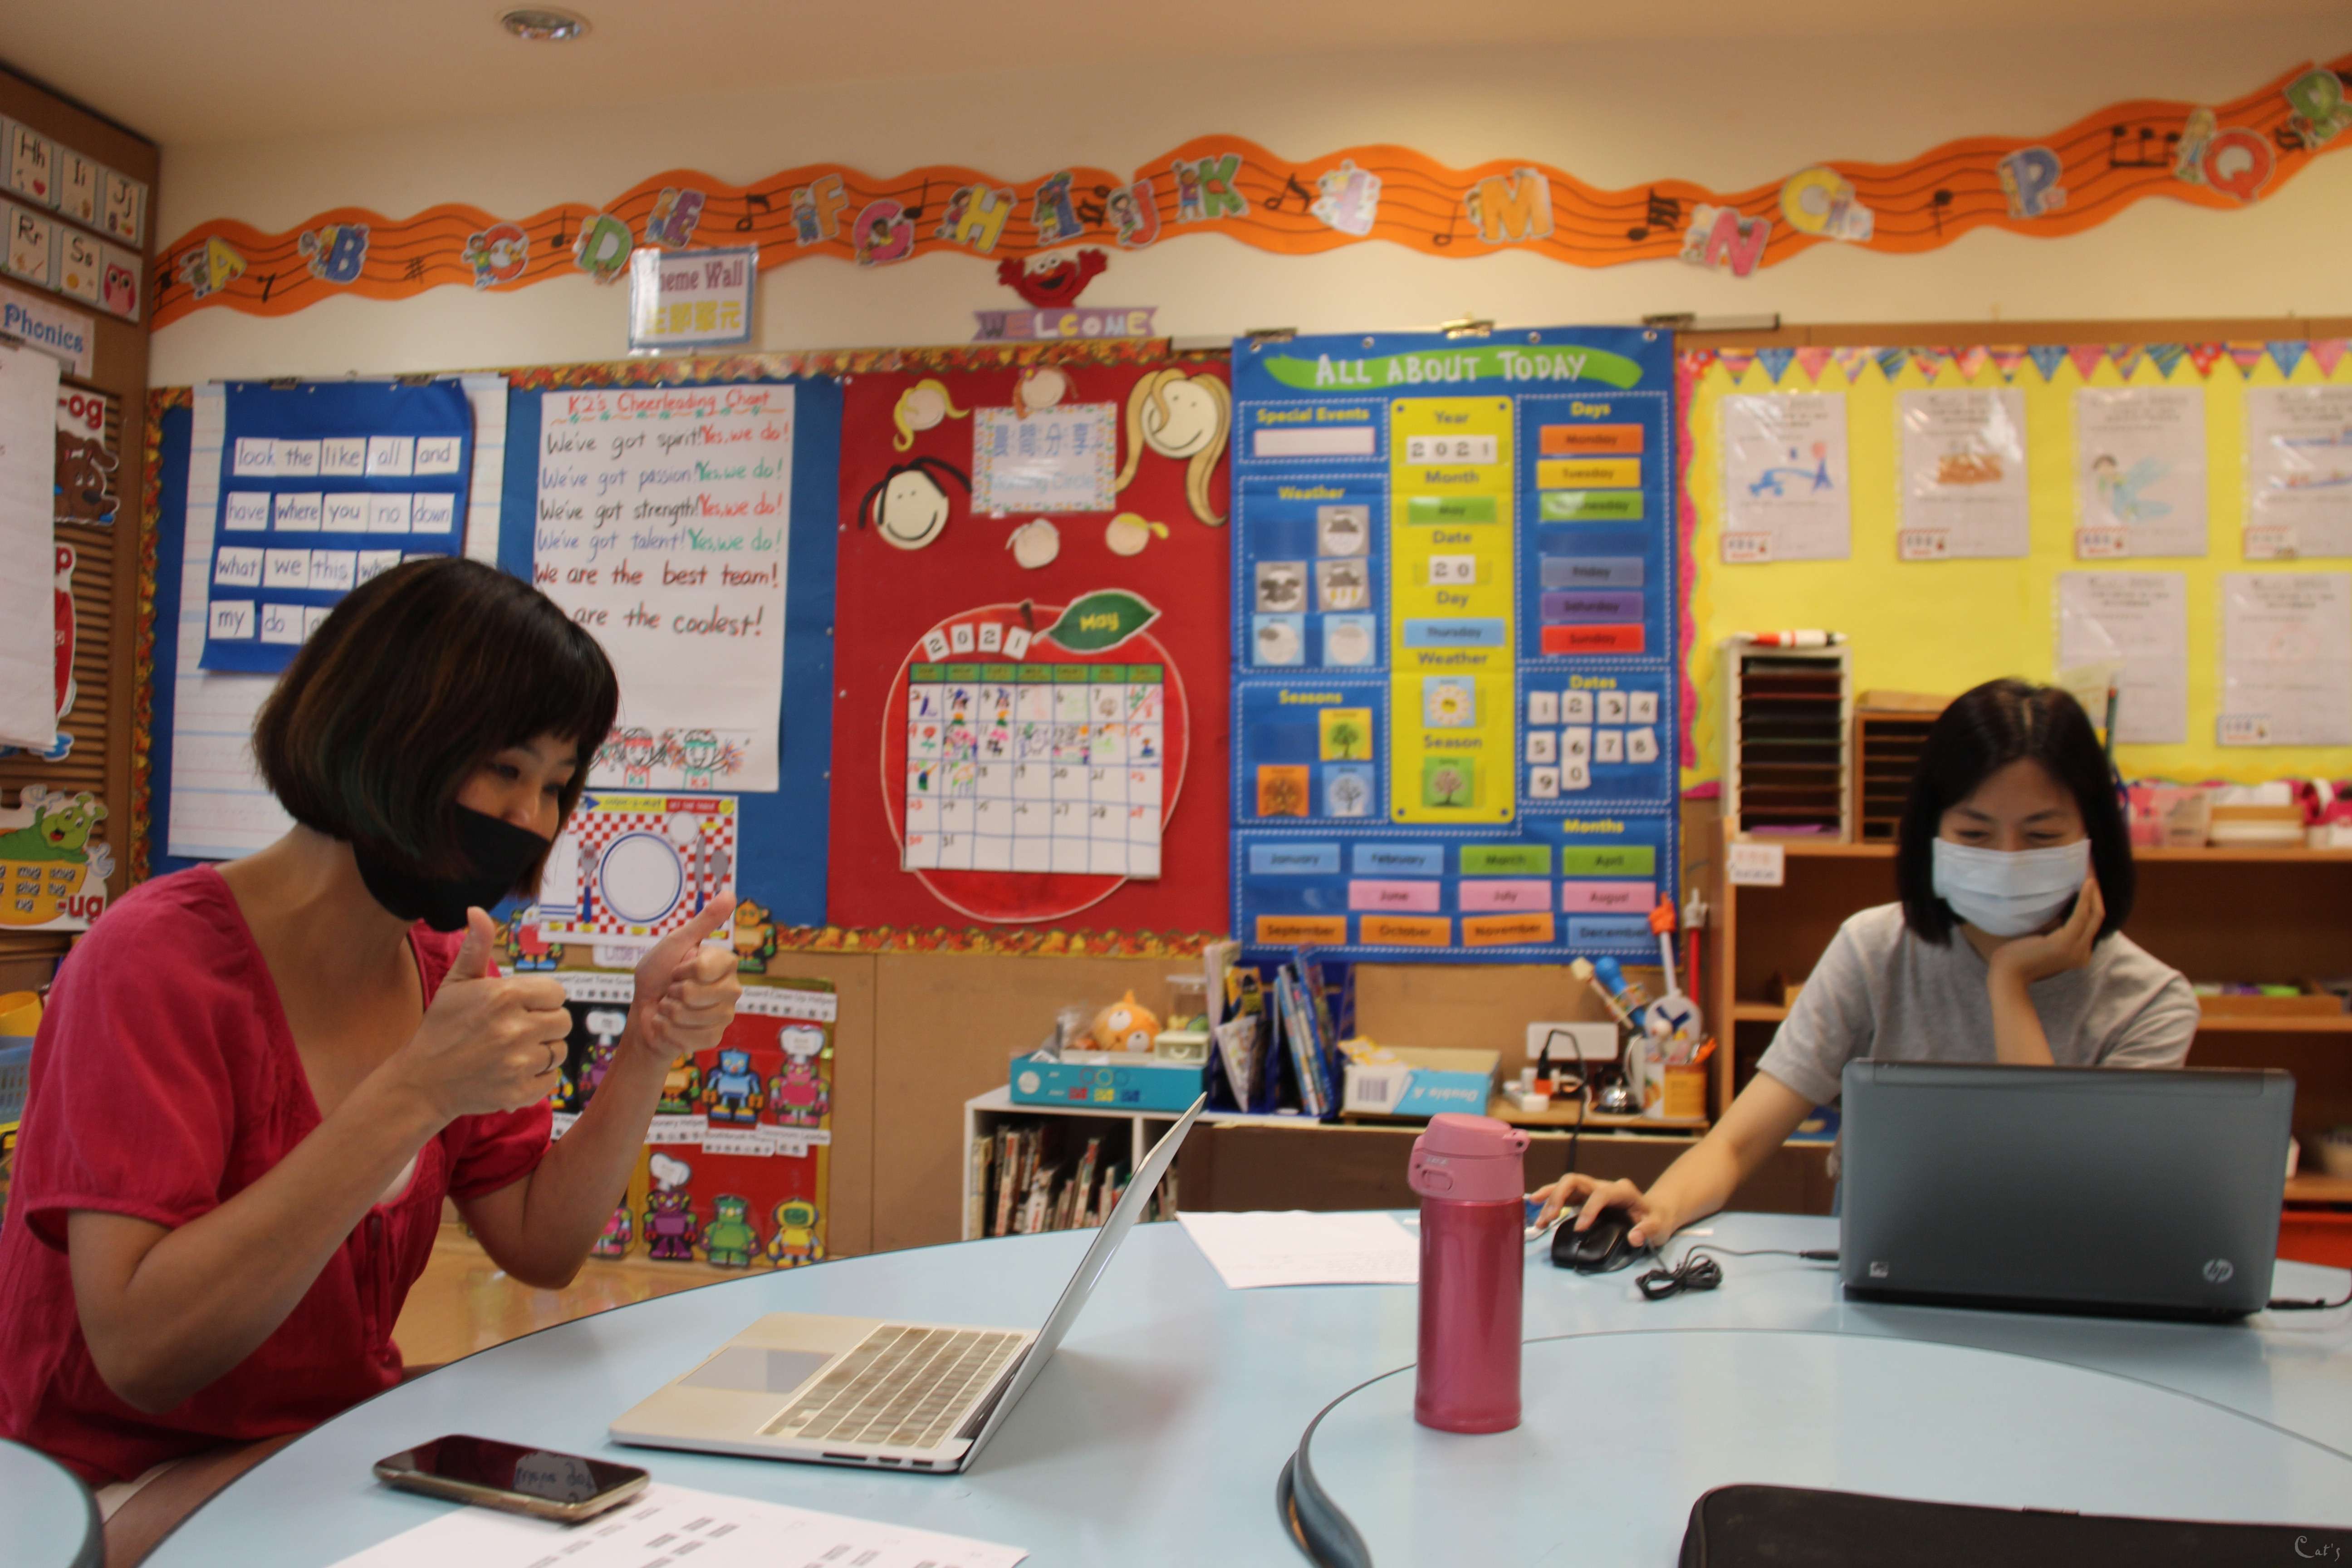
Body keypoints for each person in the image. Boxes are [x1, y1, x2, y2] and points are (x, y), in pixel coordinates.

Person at [0, 559, 743, 1562]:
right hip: (105, 1483)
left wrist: (649, 1048)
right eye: (506, 769)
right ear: (391, 734)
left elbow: (540, 1242)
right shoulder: (153, 963)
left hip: (320, 1446)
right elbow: (145, 1354)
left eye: (557, 786)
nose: (533, 819)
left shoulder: (442, 968)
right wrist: (415, 1091)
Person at [1534, 678, 2197, 1246]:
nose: (2008, 859)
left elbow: (2063, 1201)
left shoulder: (2149, 1003)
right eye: (1974, 834)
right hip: (1882, 1282)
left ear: (2095, 837)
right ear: (1931, 834)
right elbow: (1737, 1142)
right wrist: (1658, 1208)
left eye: (2043, 835)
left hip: (2059, 1299)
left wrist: (2010, 984)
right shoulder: (1875, 949)